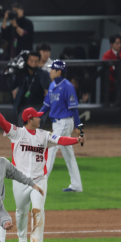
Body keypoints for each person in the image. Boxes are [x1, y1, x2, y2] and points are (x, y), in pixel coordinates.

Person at [0, 91, 85, 242]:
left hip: (39, 180)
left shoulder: (44, 135)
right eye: (37, 116)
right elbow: (3, 123)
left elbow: (61, 139)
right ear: (29, 119)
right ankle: (21, 236)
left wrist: (77, 140)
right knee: (21, 211)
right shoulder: (17, 133)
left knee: (38, 210)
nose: (40, 118)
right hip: (20, 180)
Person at [39, 60, 83, 193]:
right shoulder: (52, 85)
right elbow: (46, 106)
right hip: (57, 122)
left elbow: (74, 108)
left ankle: (41, 184)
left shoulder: (68, 86)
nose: (50, 70)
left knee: (51, 149)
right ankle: (77, 185)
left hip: (64, 122)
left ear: (59, 72)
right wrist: (35, 116)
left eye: (52, 69)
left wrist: (79, 126)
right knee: (68, 154)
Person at [11, 51, 50, 124]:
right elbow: (13, 85)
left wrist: (47, 92)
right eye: (31, 61)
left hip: (39, 106)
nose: (33, 64)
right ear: (27, 61)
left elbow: (50, 87)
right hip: (23, 106)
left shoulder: (43, 74)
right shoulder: (20, 73)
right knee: (23, 130)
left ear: (39, 62)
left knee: (36, 129)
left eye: (36, 61)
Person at [102, 34, 121, 104]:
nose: (120, 45)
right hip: (111, 87)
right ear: (111, 44)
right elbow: (109, 69)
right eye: (117, 43)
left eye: (120, 43)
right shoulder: (107, 55)